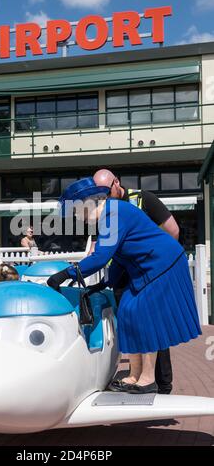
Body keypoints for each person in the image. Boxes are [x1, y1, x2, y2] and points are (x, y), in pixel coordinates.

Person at [47, 178, 201, 394]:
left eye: (74, 211)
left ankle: (148, 379)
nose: (74, 216)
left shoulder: (112, 213)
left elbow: (101, 257)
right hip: (147, 267)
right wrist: (104, 283)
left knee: (144, 312)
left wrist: (65, 274)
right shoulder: (109, 214)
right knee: (127, 310)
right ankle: (134, 375)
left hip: (163, 264)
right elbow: (119, 256)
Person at [93, 169, 178, 395]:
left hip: (148, 276)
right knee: (131, 327)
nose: (102, 196)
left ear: (117, 183)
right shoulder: (105, 211)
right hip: (122, 277)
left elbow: (174, 231)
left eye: (105, 190)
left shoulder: (143, 199)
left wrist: (156, 263)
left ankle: (162, 384)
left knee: (155, 327)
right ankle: (136, 376)